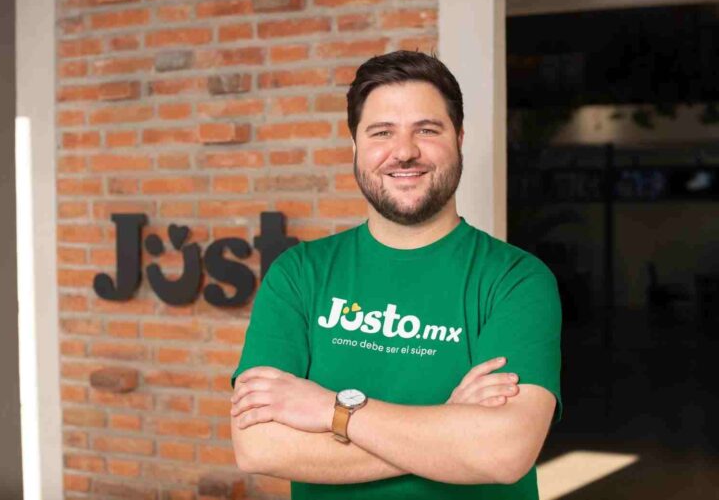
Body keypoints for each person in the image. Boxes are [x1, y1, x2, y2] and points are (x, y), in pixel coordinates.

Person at [229, 50, 562, 500]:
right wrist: (448, 427)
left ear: (459, 138)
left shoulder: (516, 280)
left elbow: (503, 453)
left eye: (427, 130)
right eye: (382, 132)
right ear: (355, 146)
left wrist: (331, 410)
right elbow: (258, 446)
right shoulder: (299, 274)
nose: (404, 152)